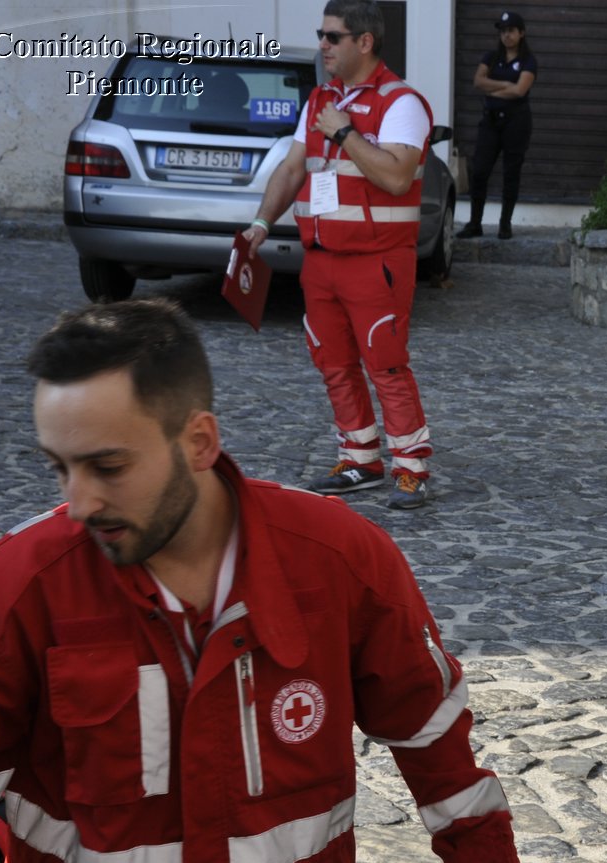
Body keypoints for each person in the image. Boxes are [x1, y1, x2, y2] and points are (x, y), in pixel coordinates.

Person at [0, 299, 560, 863]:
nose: (79, 500)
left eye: (108, 467)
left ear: (198, 441)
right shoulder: (5, 599)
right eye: (61, 467)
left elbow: (425, 721)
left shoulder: (341, 562)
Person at [244, 0, 435, 509]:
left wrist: (345, 132)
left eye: (332, 37)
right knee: (333, 363)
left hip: (378, 261)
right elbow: (291, 170)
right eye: (322, 35)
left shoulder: (401, 103)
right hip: (322, 260)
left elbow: (396, 176)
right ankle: (360, 459)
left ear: (364, 42)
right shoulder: (319, 101)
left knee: (386, 363)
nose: (322, 45)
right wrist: (261, 224)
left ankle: (411, 466)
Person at [458, 10, 537, 241]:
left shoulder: (528, 60)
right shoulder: (491, 57)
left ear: (521, 33)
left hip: (517, 122)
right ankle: (475, 223)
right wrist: (505, 85)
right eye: (503, 31)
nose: (506, 36)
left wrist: (493, 88)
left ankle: (505, 224)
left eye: (511, 31)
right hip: (491, 121)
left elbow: (520, 90)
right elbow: (477, 81)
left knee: (511, 172)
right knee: (480, 170)